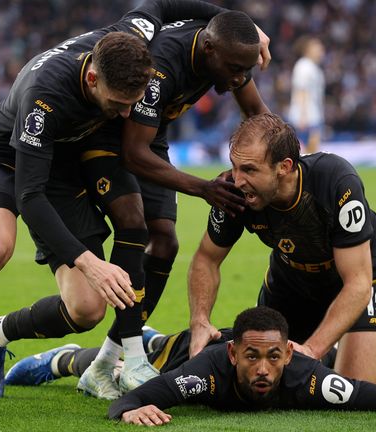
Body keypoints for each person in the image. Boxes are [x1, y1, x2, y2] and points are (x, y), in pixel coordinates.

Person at [0, 0, 236, 415]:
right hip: (6, 157)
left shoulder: (130, 38)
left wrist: (239, 22)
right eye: (119, 103)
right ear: (92, 78)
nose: (127, 113)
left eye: (135, 102)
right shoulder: (46, 96)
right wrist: (90, 262)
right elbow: (29, 196)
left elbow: (161, 5)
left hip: (63, 162)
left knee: (87, 309)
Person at [74, 11, 270, 399]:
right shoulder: (161, 67)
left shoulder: (229, 56)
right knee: (135, 227)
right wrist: (203, 188)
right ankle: (129, 358)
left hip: (150, 139)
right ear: (209, 49)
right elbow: (132, 153)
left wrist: (290, 166)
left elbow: (258, 116)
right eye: (233, 69)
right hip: (110, 137)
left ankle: (104, 364)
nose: (237, 79)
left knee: (165, 244)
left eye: (244, 71)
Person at [189, 113, 376, 388]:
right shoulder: (234, 194)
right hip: (292, 279)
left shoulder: (336, 182)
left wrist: (312, 350)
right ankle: (331, 352)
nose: (237, 180)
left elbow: (358, 283)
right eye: (234, 167)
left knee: (351, 388)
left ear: (284, 166)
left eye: (249, 169)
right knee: (264, 375)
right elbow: (206, 259)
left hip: (363, 272)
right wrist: (200, 320)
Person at [2, 307, 376, 425]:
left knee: (365, 378)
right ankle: (62, 358)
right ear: (234, 355)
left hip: (267, 343)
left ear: (288, 355)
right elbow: (133, 401)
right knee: (131, 370)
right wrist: (130, 412)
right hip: (184, 350)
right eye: (252, 358)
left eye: (273, 357)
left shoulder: (305, 377)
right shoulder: (206, 372)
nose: (263, 369)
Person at [288, 37, 325, 154]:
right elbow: (301, 91)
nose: (321, 50)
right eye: (317, 47)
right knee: (308, 151)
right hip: (307, 115)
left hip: (313, 113)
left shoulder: (313, 67)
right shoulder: (304, 66)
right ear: (308, 49)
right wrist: (303, 115)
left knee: (311, 151)